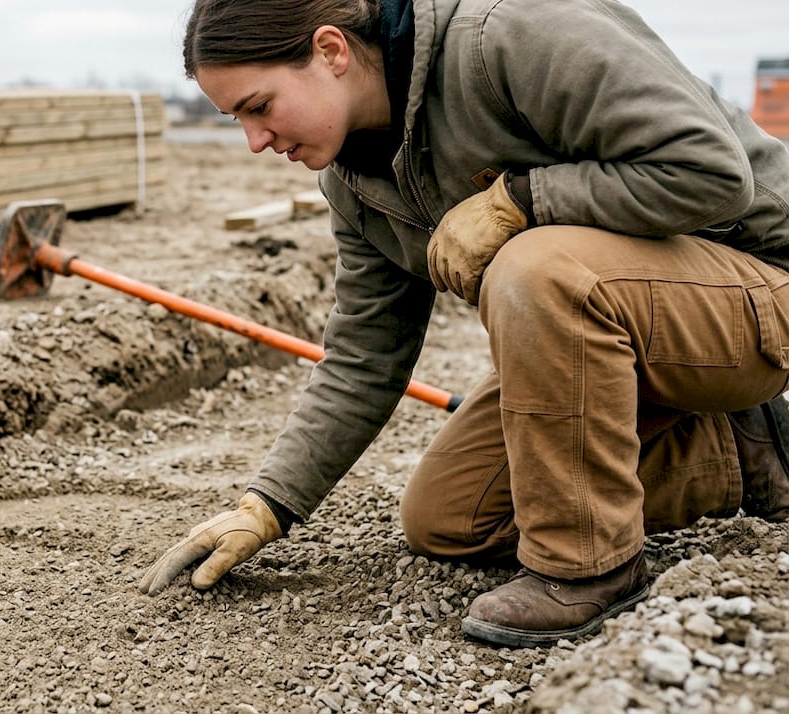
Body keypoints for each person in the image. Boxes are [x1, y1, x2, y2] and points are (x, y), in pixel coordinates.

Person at [138, 0, 789, 649]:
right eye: (237, 120)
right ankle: (748, 450)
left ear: (331, 51)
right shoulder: (356, 180)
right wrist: (268, 505)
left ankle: (589, 568)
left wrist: (519, 202)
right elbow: (366, 356)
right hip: (645, 323)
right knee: (450, 517)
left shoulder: (507, 37)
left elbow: (713, 172)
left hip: (764, 285)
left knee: (535, 268)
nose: (255, 141)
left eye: (258, 106)